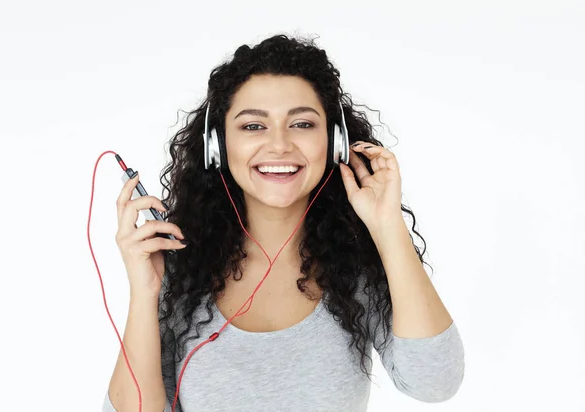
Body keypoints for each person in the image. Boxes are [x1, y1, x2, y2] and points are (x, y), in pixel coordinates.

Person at [102, 34, 465, 412]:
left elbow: (434, 382)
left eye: (302, 124)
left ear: (335, 140)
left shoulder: (353, 268)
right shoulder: (181, 270)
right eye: (253, 127)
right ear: (217, 145)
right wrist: (145, 293)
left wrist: (387, 225)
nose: (279, 145)